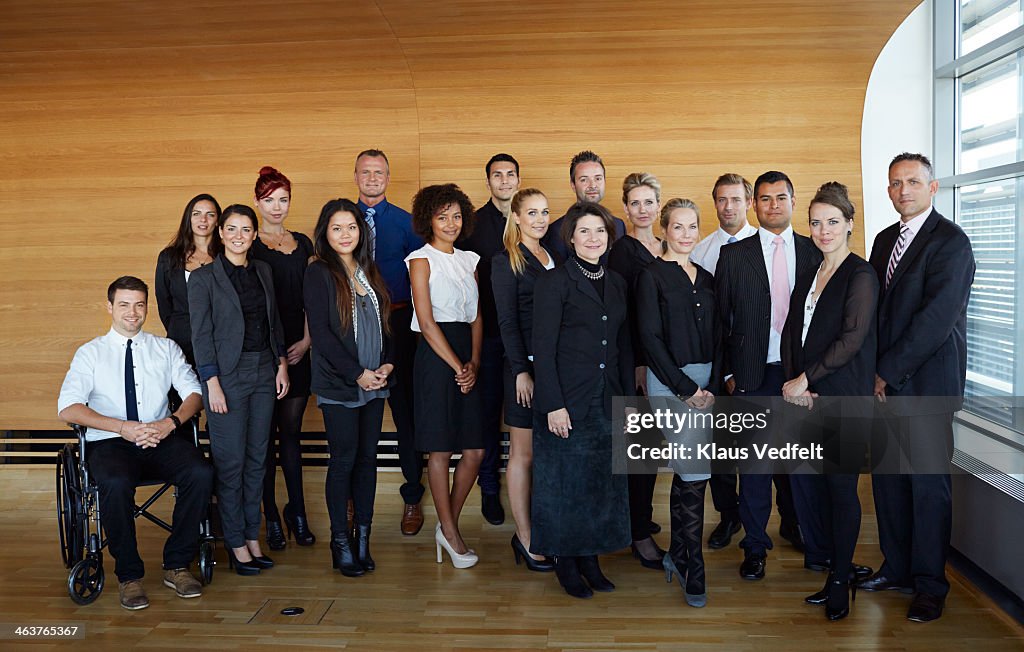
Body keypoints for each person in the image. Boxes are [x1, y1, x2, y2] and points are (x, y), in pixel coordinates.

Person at [858, 153, 975, 623]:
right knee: (889, 485)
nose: (902, 190)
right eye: (894, 183)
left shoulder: (951, 243)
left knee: (927, 490)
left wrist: (886, 371)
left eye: (912, 181)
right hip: (883, 386)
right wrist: (869, 372)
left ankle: (929, 585)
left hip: (925, 388)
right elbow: (871, 312)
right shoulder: (886, 239)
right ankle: (897, 568)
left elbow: (935, 322)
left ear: (933, 187)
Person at [58, 276, 213, 610]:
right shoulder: (91, 353)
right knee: (113, 481)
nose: (132, 312)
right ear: (110, 307)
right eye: (124, 305)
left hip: (160, 437)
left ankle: (177, 565)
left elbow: (195, 393)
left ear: (147, 307)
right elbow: (68, 407)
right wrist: (122, 427)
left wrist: (170, 422)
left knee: (200, 473)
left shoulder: (165, 349)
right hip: (111, 443)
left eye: (139, 304)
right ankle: (129, 576)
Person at [714, 171, 822, 580]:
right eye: (764, 198)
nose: (773, 205)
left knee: (801, 465)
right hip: (750, 375)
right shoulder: (734, 255)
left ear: (794, 201)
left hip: (800, 377)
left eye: (780, 197)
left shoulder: (814, 252)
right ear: (753, 205)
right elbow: (721, 322)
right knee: (755, 469)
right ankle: (755, 545)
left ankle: (806, 536)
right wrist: (726, 371)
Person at [780, 182, 878, 621]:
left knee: (841, 491)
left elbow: (852, 340)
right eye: (816, 223)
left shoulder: (861, 275)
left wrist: (805, 379)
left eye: (832, 222)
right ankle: (831, 570)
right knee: (817, 489)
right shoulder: (811, 272)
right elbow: (791, 335)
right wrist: (792, 383)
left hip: (843, 399)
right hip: (808, 400)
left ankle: (841, 580)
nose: (823, 231)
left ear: (849, 224)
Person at [532, 201, 632, 599]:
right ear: (571, 238)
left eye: (601, 232)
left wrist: (626, 402)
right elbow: (542, 346)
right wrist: (553, 403)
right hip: (567, 401)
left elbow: (623, 343)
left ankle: (590, 557)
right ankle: (566, 561)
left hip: (607, 398)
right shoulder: (554, 282)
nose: (594, 239)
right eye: (585, 232)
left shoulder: (618, 282)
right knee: (563, 486)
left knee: (598, 484)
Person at [188, 204, 289, 576]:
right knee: (231, 465)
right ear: (221, 232)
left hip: (264, 369)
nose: (239, 236)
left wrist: (281, 363)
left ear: (253, 234)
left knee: (257, 461)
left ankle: (251, 537)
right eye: (232, 228)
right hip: (225, 378)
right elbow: (201, 336)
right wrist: (210, 381)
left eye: (246, 229)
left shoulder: (263, 270)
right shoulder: (203, 279)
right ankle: (233, 542)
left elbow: (273, 321)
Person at [635, 198, 719, 608]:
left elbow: (719, 336)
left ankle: (678, 554)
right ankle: (693, 567)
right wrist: (687, 389)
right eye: (677, 227)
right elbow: (650, 340)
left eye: (692, 227)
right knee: (695, 472)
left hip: (707, 385)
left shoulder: (706, 278)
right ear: (664, 230)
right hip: (671, 385)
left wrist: (713, 385)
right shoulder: (651, 276)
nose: (685, 234)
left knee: (690, 473)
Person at [305, 198, 393, 577]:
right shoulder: (319, 271)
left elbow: (386, 323)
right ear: (325, 231)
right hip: (342, 383)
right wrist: (357, 373)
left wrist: (387, 364)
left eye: (352, 227)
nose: (345, 234)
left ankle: (362, 540)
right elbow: (322, 335)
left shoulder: (368, 271)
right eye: (337, 227)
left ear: (362, 232)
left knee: (367, 461)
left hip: (376, 382)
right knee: (343, 460)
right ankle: (340, 541)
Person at [405, 183, 485, 569]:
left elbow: (477, 316)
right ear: (428, 220)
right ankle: (452, 533)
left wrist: (474, 363)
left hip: (466, 356)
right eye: (442, 216)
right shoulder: (420, 260)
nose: (451, 223)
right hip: (436, 358)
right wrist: (457, 366)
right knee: (440, 450)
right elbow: (425, 320)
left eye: (456, 216)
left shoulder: (470, 259)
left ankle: (445, 523)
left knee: (475, 451)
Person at [354, 149, 427, 536]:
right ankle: (349, 499)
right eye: (365, 172)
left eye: (378, 172)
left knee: (405, 417)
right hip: (351, 323)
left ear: (387, 176)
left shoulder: (406, 223)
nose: (372, 178)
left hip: (399, 322)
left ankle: (412, 496)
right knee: (353, 416)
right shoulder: (341, 220)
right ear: (356, 176)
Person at [689, 174, 760, 550]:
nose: (728, 207)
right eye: (721, 200)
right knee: (719, 450)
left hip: (762, 366)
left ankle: (776, 521)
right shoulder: (700, 252)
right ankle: (729, 516)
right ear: (714, 203)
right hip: (718, 367)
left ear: (749, 203)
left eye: (735, 199)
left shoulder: (767, 246)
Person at [491, 188, 559, 573]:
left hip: (554, 369)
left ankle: (547, 531)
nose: (539, 219)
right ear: (516, 217)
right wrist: (520, 369)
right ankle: (526, 537)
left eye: (545, 212)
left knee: (549, 455)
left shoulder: (555, 257)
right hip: (524, 370)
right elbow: (507, 322)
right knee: (524, 454)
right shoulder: (506, 261)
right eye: (531, 212)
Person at [251, 166, 316, 550]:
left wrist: (307, 340)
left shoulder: (304, 242)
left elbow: (313, 296)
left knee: (291, 436)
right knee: (263, 440)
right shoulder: (247, 241)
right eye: (270, 200)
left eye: (283, 199)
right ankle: (270, 516)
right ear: (257, 202)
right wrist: (276, 352)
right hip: (264, 350)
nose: (277, 207)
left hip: (299, 346)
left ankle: (298, 512)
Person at [607, 172, 665, 569]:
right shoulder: (621, 252)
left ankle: (638, 519)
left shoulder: (667, 245)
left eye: (649, 202)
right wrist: (639, 366)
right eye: (635, 203)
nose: (642, 209)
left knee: (656, 447)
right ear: (625, 209)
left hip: (668, 365)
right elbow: (623, 319)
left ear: (658, 206)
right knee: (641, 452)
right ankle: (638, 534)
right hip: (638, 364)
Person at [460, 153, 521, 526]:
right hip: (486, 335)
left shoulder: (528, 219)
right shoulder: (473, 225)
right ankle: (489, 490)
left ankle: (522, 489)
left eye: (510, 174)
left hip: (523, 341)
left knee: (521, 417)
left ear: (517, 179)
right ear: (488, 182)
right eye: (496, 175)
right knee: (485, 417)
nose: (504, 181)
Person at [155, 194, 222, 368]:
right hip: (182, 341)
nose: (203, 219)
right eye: (196, 213)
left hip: (220, 341)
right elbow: (164, 303)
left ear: (218, 221)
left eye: (210, 214)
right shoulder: (169, 257)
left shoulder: (226, 257)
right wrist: (179, 329)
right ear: (188, 218)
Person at [542, 150, 627, 262]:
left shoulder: (618, 225)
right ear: (573, 185)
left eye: (598, 178)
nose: (592, 185)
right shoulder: (556, 231)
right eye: (584, 180)